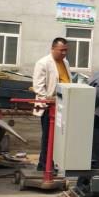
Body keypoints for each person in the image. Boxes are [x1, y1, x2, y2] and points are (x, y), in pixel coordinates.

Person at [32, 37, 72, 171]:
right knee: (48, 136)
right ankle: (45, 164)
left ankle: (48, 162)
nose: (64, 53)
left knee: (59, 137)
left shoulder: (65, 62)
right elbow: (38, 86)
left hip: (63, 105)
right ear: (53, 49)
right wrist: (48, 99)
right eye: (61, 50)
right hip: (49, 106)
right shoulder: (43, 63)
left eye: (66, 50)